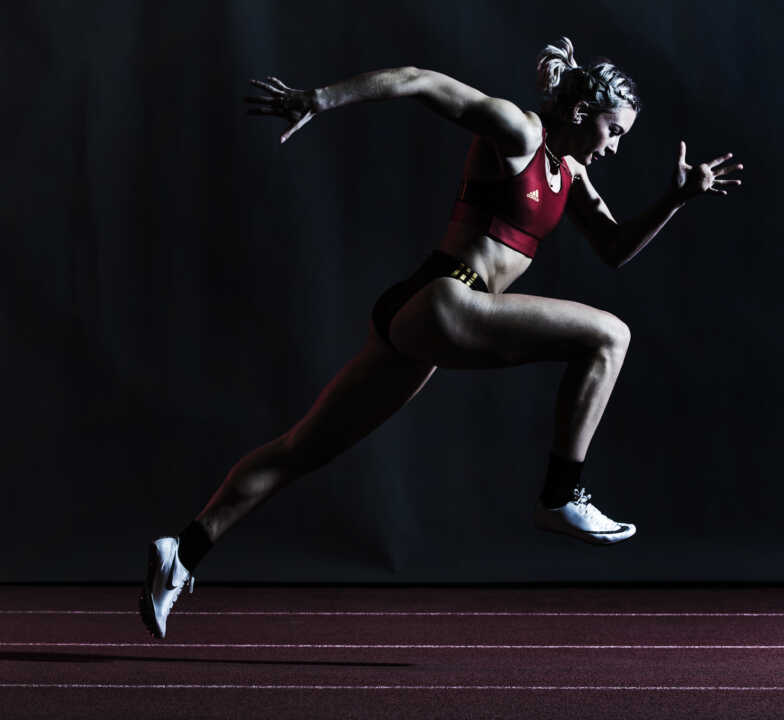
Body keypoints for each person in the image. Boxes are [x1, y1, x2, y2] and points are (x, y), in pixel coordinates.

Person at [139, 36, 743, 638]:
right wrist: (318, 100)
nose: (615, 146)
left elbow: (614, 249)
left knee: (301, 449)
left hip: (419, 310)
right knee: (610, 336)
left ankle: (183, 551)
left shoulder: (573, 174)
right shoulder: (519, 131)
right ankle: (562, 493)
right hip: (449, 297)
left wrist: (676, 198)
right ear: (584, 112)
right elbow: (420, 79)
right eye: (614, 130)